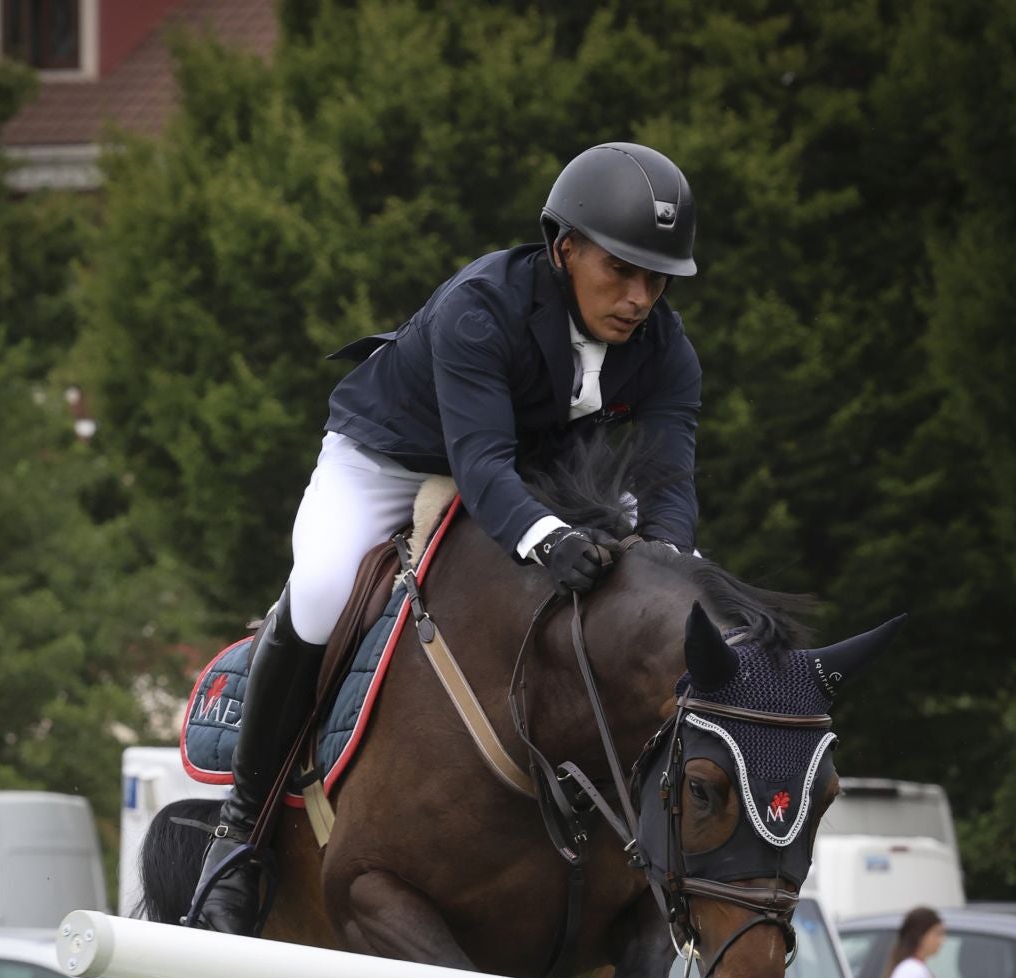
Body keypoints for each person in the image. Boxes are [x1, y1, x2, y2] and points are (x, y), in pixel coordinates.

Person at [189, 141, 703, 936]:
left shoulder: (668, 352)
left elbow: (667, 489)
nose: (640, 297)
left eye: (656, 278)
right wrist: (545, 539)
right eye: (620, 270)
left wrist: (668, 574)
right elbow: (479, 464)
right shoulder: (481, 306)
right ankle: (240, 832)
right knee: (323, 592)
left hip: (538, 472)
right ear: (563, 249)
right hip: (391, 458)